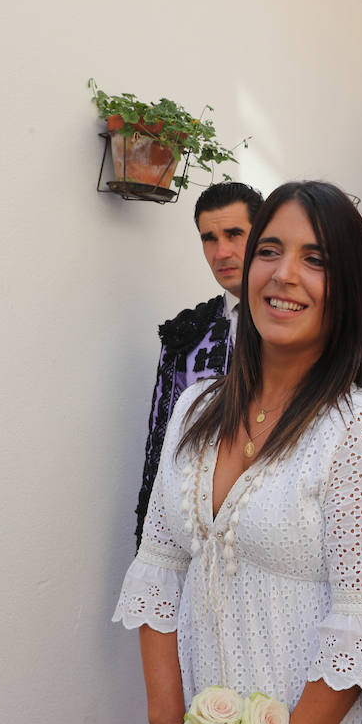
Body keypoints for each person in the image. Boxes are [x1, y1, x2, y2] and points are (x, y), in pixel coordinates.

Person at [114, 181, 362, 724]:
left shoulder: (358, 430)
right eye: (271, 251)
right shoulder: (197, 408)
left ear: (347, 286)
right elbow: (159, 566)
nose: (283, 275)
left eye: (315, 259)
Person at [135, 181, 265, 546]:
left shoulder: (302, 324)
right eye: (209, 238)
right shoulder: (187, 334)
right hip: (196, 534)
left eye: (234, 234)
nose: (221, 251)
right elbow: (161, 452)